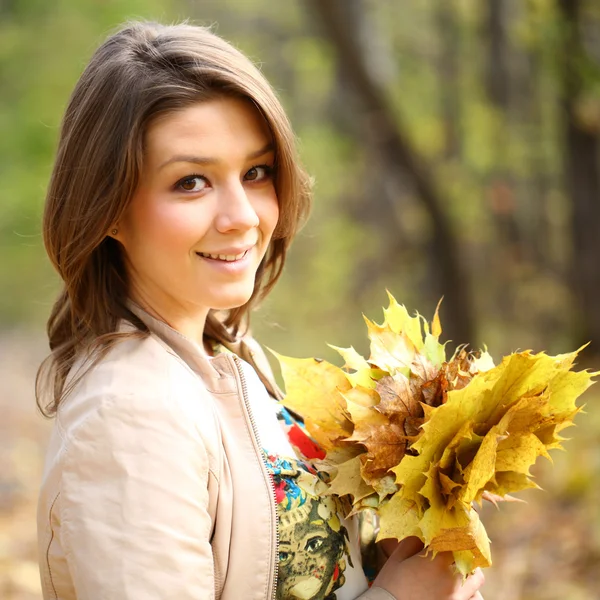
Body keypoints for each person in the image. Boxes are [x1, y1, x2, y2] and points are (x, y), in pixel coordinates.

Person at [35, 20, 486, 600]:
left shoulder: (229, 359)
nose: (242, 215)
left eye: (256, 172)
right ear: (109, 210)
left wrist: (403, 546)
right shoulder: (128, 414)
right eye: (191, 182)